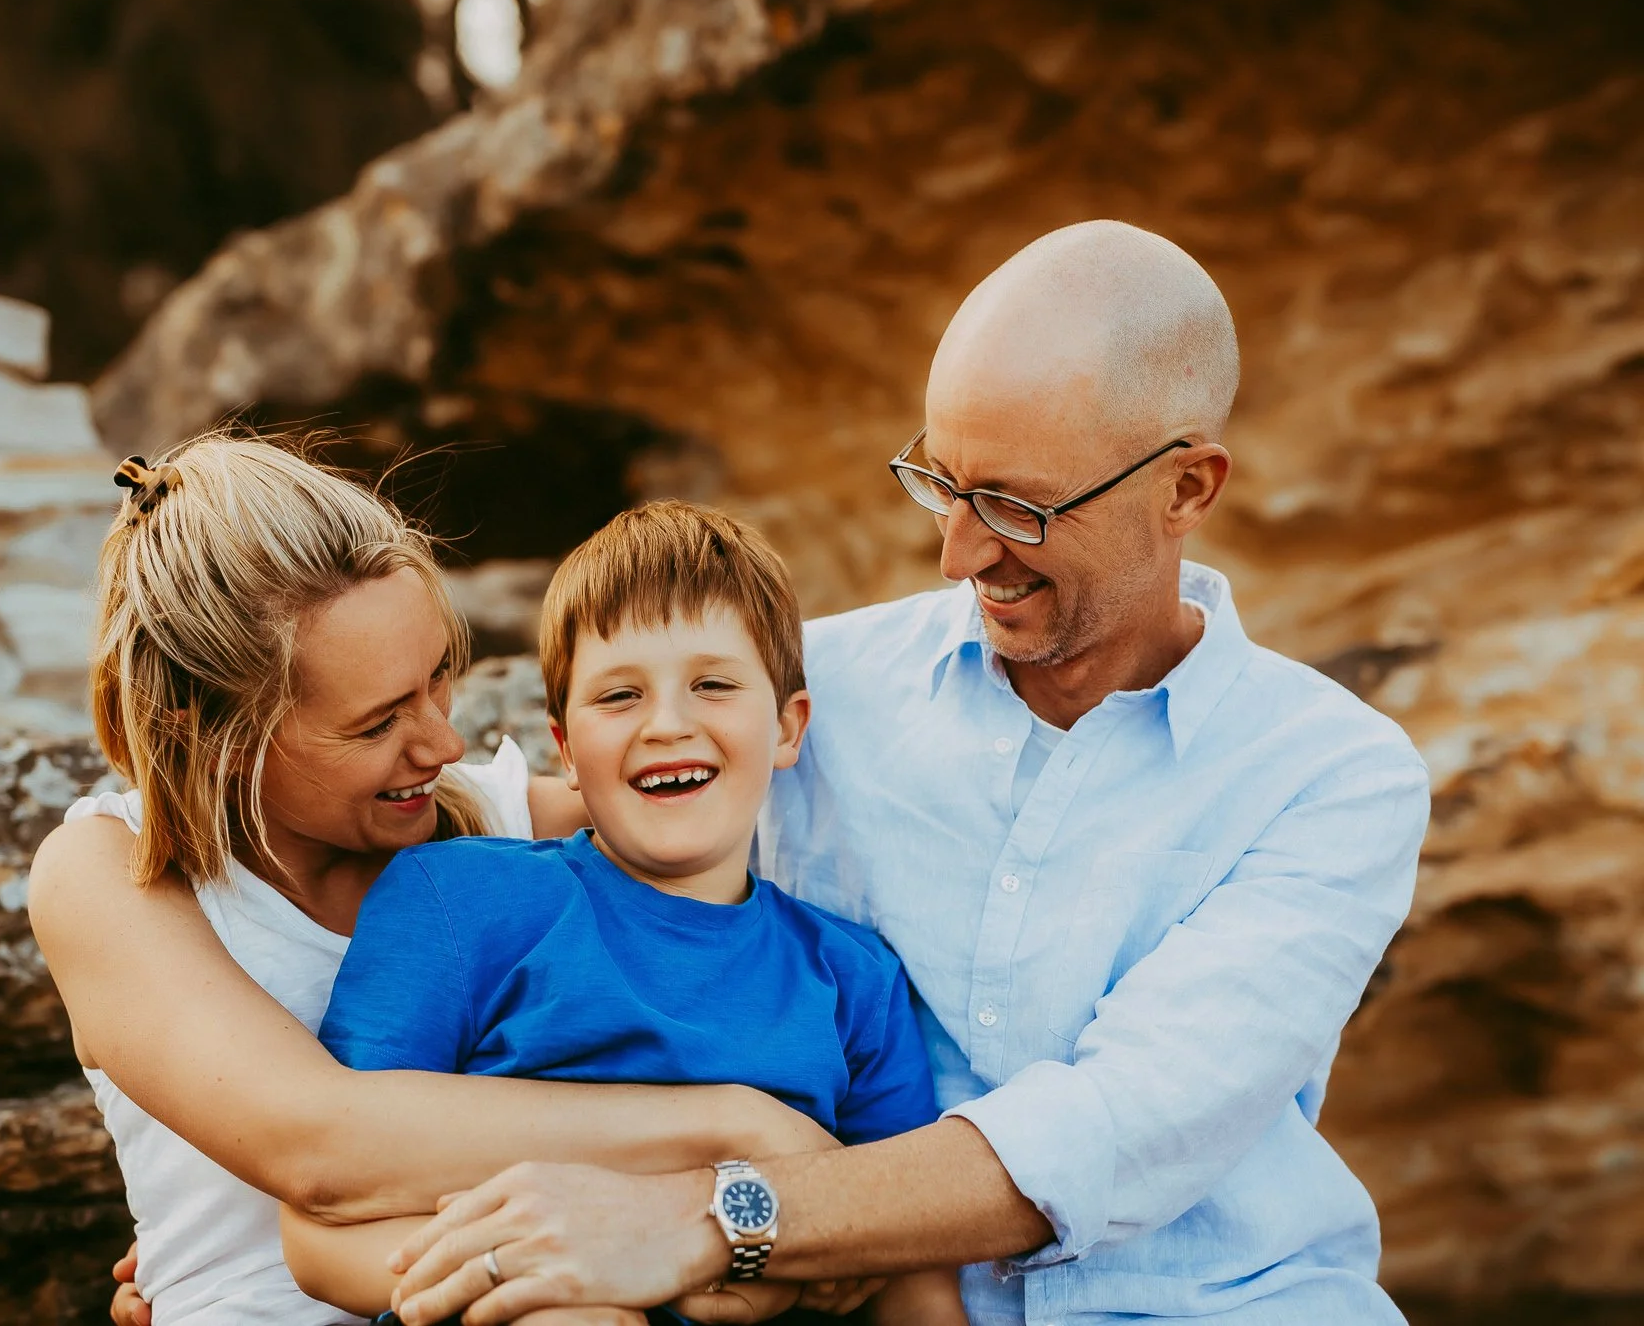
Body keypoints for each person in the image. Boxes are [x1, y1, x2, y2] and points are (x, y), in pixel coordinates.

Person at [373, 220, 1435, 1326]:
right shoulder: (801, 691)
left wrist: (706, 1220)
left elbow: (1115, 1126)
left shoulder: (1332, 776)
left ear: (1185, 487)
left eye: (1019, 507)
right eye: (940, 483)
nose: (959, 554)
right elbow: (549, 816)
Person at [28, 434, 840, 1326]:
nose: (443, 745)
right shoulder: (109, 872)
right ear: (208, 729)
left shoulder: (513, 831)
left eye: (437, 680)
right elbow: (319, 1147)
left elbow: (731, 791)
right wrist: (735, 1130)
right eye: (377, 724)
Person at [283, 502, 966, 1324]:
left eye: (712, 684)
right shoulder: (458, 902)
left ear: (788, 726)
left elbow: (912, 1276)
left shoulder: (854, 978)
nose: (669, 723)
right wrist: (556, 1278)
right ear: (564, 748)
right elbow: (330, 1220)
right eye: (619, 695)